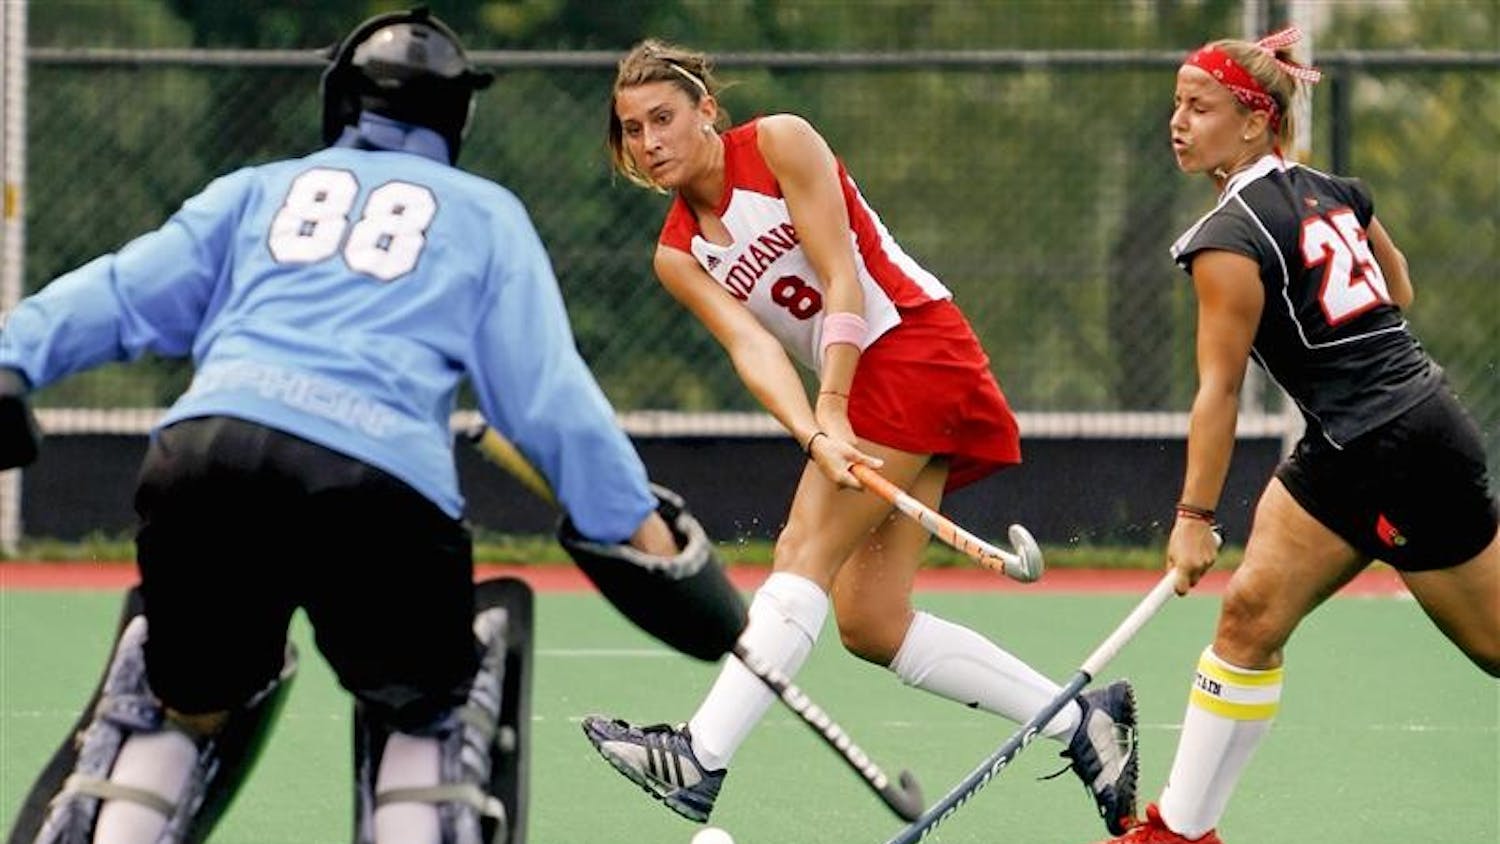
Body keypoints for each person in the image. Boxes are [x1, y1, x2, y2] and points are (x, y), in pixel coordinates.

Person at [0, 9, 692, 844]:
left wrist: (12, 358)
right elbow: (546, 400)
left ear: (341, 101)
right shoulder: (484, 214)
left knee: (186, 699)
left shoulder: (255, 190)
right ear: (455, 119)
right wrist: (637, 527)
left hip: (205, 463)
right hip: (377, 491)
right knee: (425, 709)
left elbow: (118, 293)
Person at [579, 38, 1142, 835]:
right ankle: (1082, 722)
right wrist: (813, 433)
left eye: (663, 118)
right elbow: (755, 349)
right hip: (864, 381)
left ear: (707, 109)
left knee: (800, 551)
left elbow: (841, 274)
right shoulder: (677, 254)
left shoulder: (780, 142)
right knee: (871, 622)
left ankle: (699, 758)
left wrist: (834, 406)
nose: (650, 141)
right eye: (632, 129)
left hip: (911, 344)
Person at [1092, 27, 1500, 844]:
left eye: (1198, 107)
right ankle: (1180, 830)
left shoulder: (1226, 240)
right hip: (1369, 437)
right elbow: (1399, 287)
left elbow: (1218, 393)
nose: (1178, 122)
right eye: (1176, 105)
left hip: (1394, 447)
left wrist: (1194, 517)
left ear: (1254, 123)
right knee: (1248, 616)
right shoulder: (1335, 188)